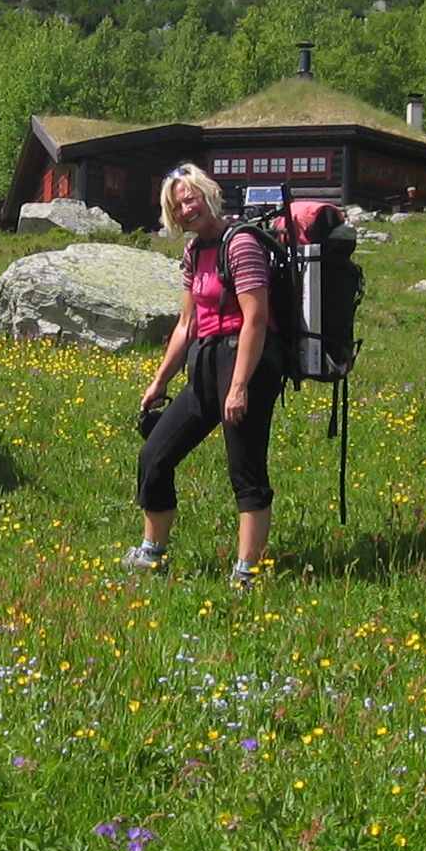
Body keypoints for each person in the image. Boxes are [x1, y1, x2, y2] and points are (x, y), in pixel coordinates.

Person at [123, 164, 284, 589]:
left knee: (245, 471)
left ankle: (247, 573)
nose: (185, 209)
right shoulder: (194, 251)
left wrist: (239, 386)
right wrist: (160, 381)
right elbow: (186, 324)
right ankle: (152, 553)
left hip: (245, 362)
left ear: (208, 195)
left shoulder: (242, 244)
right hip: (205, 365)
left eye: (190, 199)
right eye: (177, 206)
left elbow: (256, 319)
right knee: (154, 456)